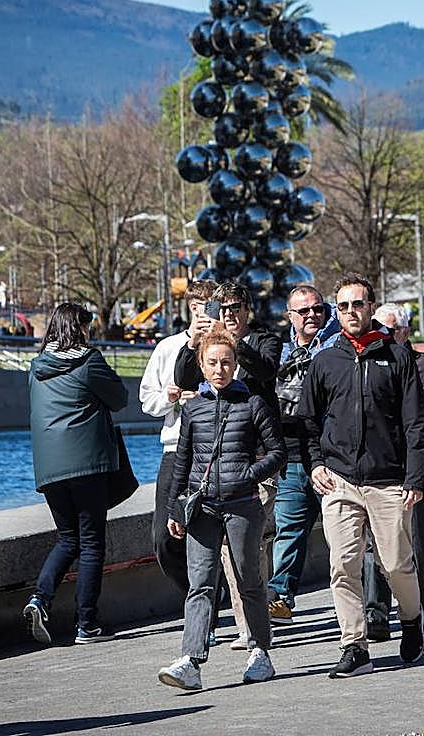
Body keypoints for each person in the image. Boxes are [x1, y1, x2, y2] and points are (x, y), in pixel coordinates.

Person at [297, 273, 424, 678]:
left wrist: (414, 478)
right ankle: (354, 646)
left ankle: (411, 620)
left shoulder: (398, 357)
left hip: (389, 480)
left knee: (395, 565)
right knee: (343, 565)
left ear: (371, 307)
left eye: (358, 304)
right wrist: (316, 464)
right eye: (343, 306)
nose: (351, 312)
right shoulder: (325, 360)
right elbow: (306, 421)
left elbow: (416, 423)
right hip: (339, 480)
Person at [158, 328, 285, 690]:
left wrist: (248, 474)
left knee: (249, 581)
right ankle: (191, 662)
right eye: (212, 362)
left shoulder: (252, 404)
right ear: (201, 364)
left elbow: (277, 452)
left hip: (242, 505)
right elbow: (182, 462)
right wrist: (174, 510)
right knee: (200, 585)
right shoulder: (193, 408)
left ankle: (260, 652)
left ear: (236, 365)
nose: (220, 369)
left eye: (226, 362)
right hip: (203, 509)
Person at [175, 281, 281, 650]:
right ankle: (239, 632)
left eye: (236, 307)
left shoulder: (263, 341)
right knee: (212, 565)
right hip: (210, 477)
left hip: (251, 463)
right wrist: (196, 343)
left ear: (247, 309)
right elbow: (184, 379)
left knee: (249, 556)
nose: (229, 314)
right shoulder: (210, 352)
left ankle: (255, 630)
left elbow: (267, 370)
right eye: (223, 308)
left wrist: (236, 347)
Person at [23, 302, 128, 645]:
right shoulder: (88, 360)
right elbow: (119, 397)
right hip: (87, 463)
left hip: (50, 468)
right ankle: (87, 624)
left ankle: (40, 597)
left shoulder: (36, 368)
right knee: (92, 542)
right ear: (80, 328)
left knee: (68, 538)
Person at [363, 303, 424, 639]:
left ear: (405, 331)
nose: (384, 335)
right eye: (379, 328)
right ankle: (376, 614)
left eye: (391, 330)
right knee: (376, 543)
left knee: (420, 542)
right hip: (379, 468)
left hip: (418, 469)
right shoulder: (370, 364)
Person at [139, 279, 218, 594]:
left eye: (209, 307)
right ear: (190, 308)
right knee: (163, 537)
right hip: (175, 448)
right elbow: (147, 401)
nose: (202, 314)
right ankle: (195, 592)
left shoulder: (225, 347)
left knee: (211, 532)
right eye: (198, 307)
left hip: (214, 451)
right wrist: (169, 397)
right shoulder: (167, 347)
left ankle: (209, 599)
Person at [267, 284, 340, 624]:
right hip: (293, 455)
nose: (312, 315)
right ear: (290, 316)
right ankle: (280, 597)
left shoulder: (336, 347)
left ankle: (371, 605)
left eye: (318, 309)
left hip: (336, 455)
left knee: (348, 534)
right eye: (304, 311)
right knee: (289, 529)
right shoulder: (279, 354)